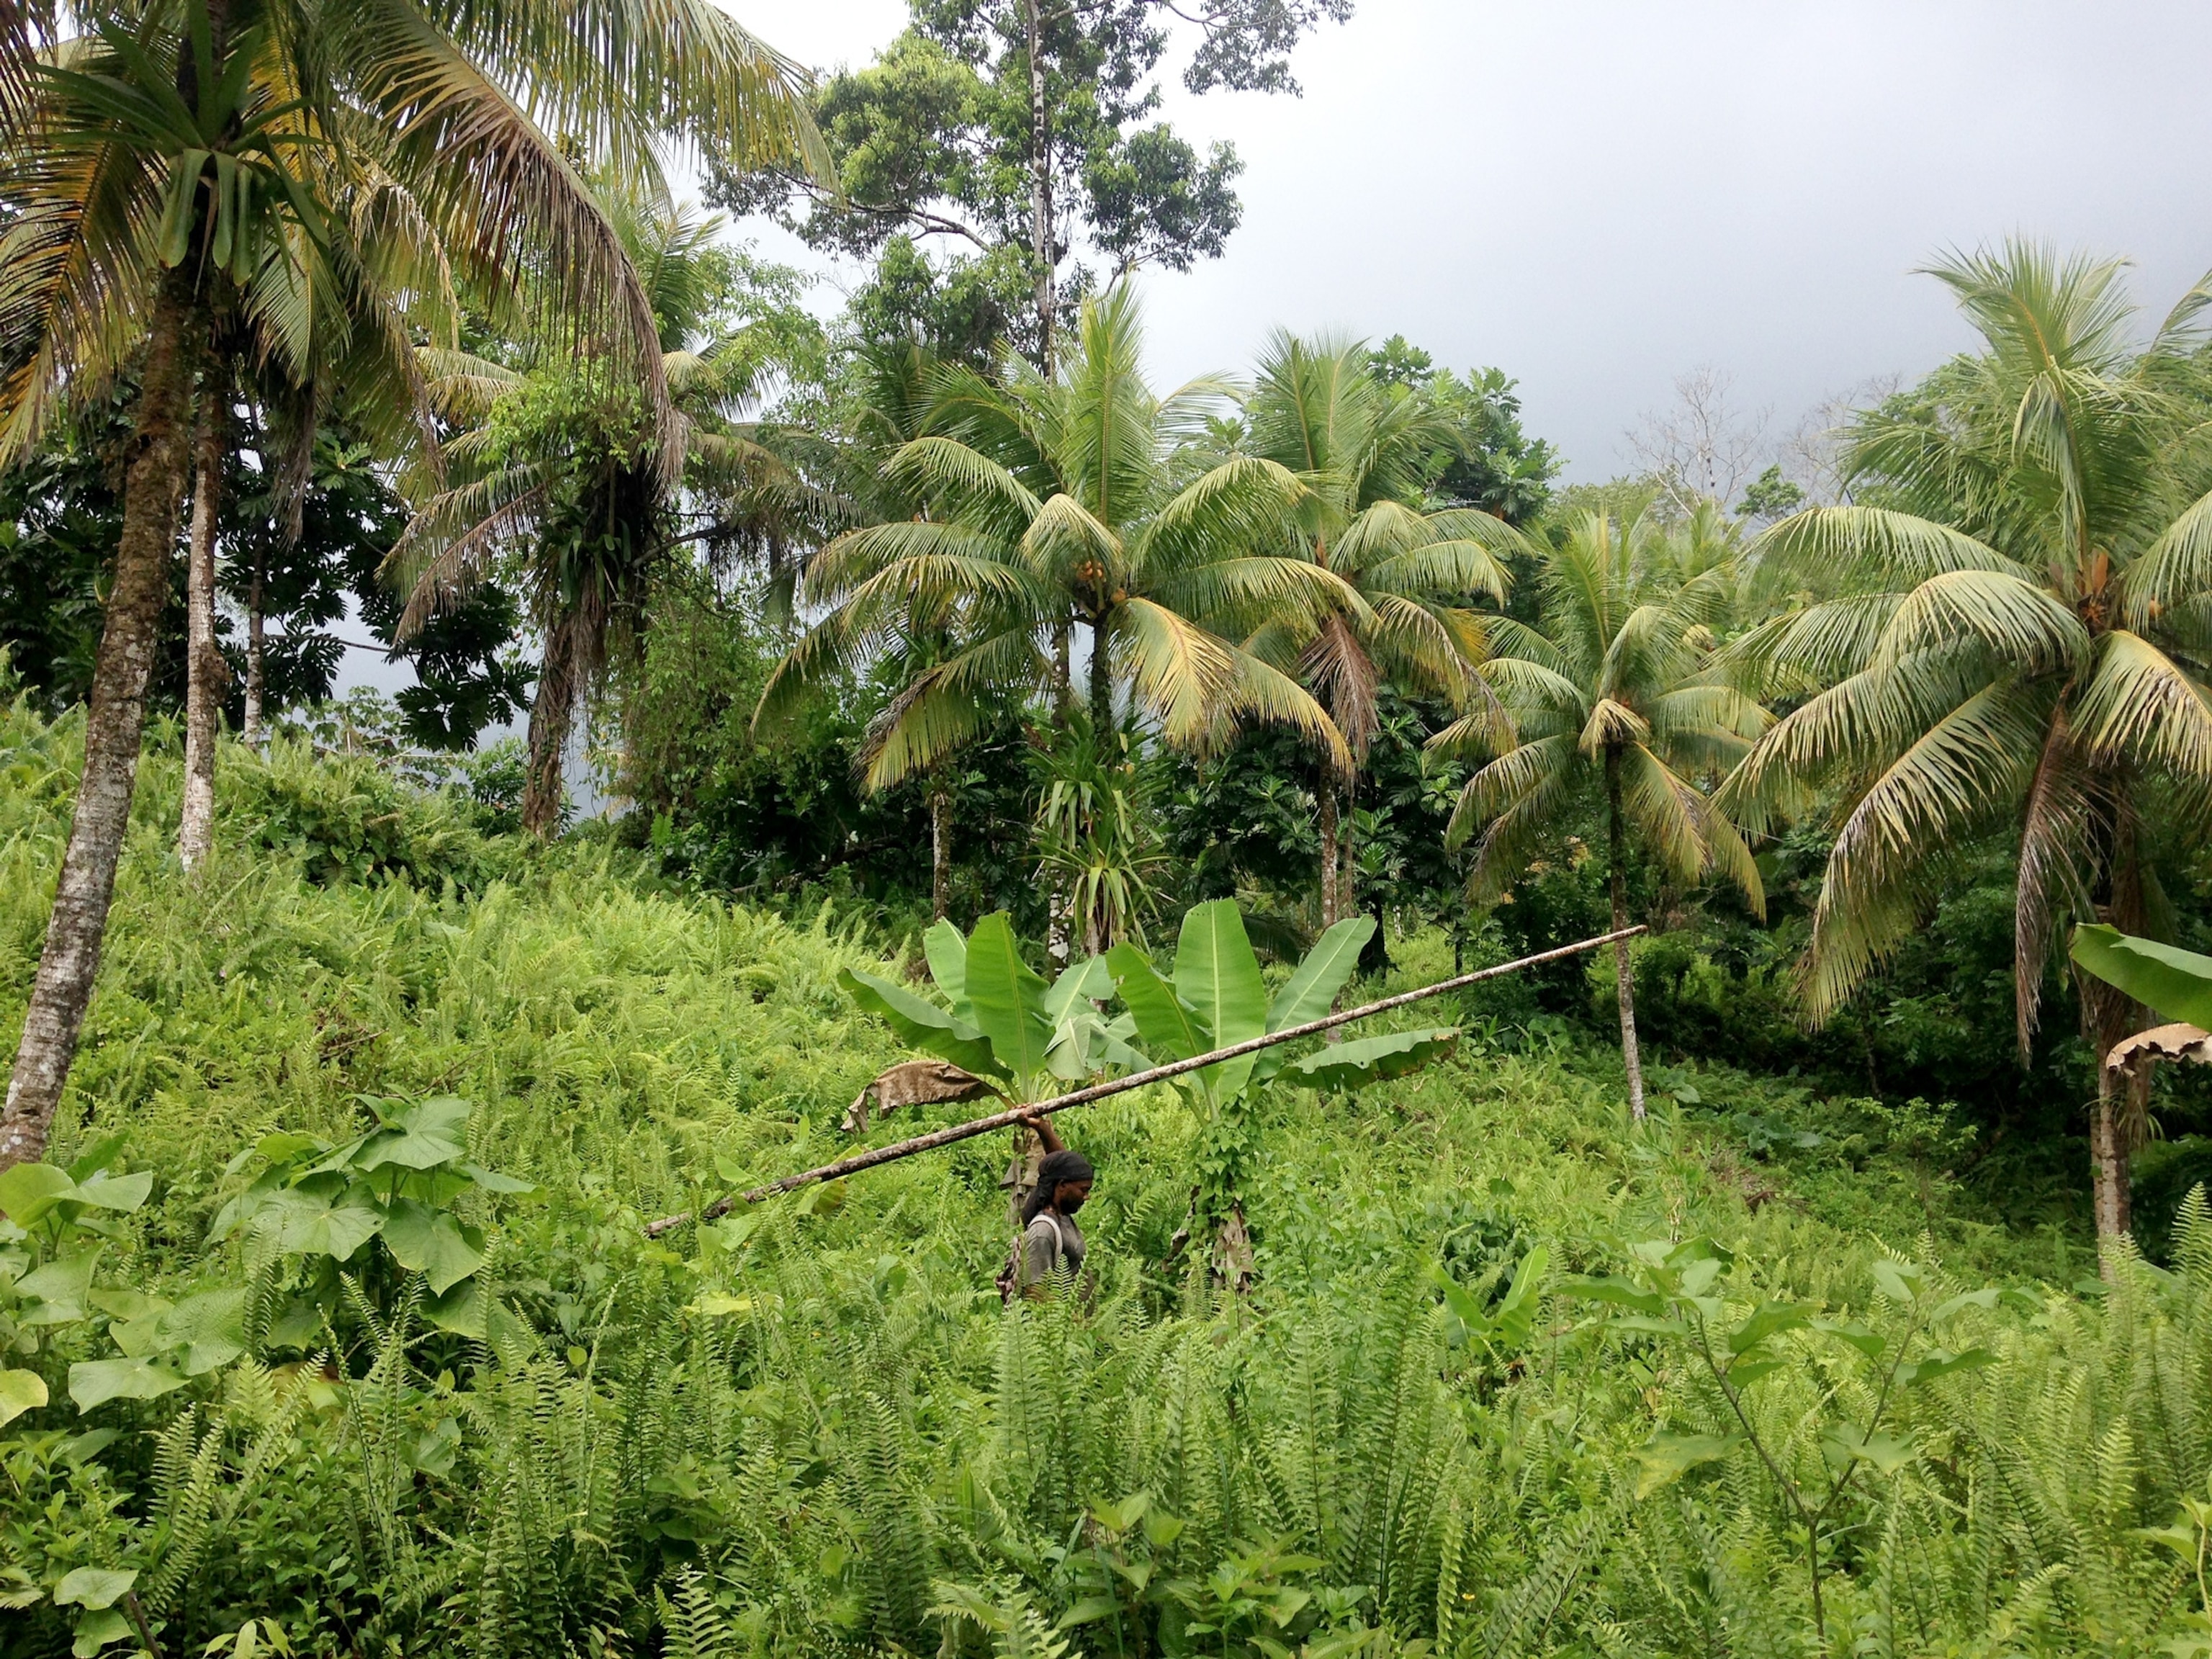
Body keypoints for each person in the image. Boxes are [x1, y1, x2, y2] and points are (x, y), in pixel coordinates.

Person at [1015, 1114, 1094, 1299]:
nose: (1087, 1196)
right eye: (1083, 1190)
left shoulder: (1062, 1213)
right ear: (1062, 1186)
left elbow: (1063, 1165)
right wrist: (1071, 1322)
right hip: (1064, 1326)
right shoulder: (1043, 1232)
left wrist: (1043, 1128)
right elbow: (1037, 1294)